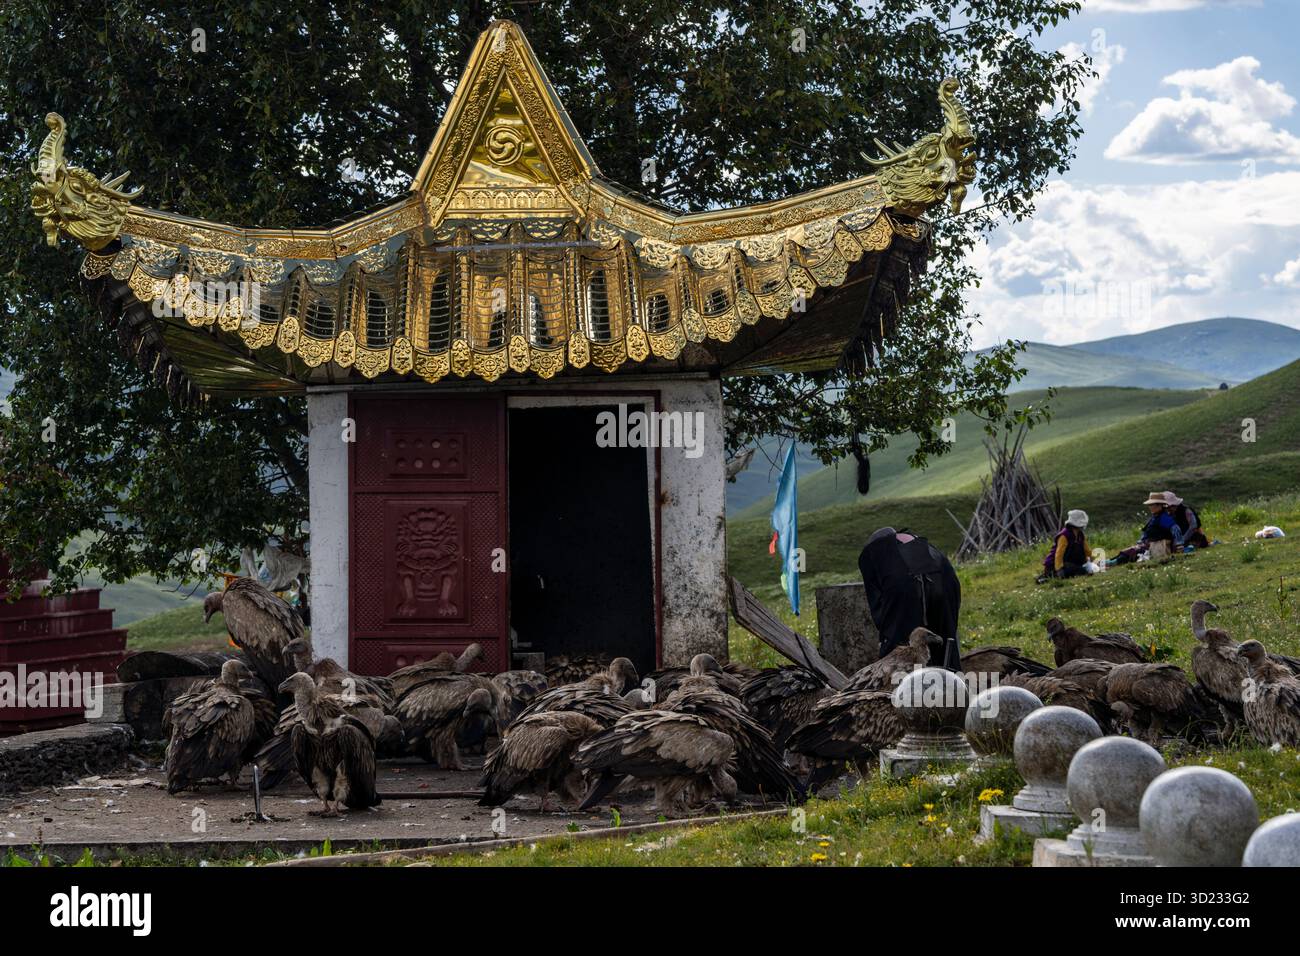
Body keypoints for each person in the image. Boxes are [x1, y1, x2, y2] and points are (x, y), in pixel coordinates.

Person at [858, 527, 961, 669]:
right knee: (946, 644)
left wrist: (887, 636)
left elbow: (878, 603)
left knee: (901, 653)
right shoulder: (918, 543)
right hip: (945, 578)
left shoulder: (873, 553)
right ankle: (950, 676)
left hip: (904, 587)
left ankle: (905, 681)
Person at [1114, 491, 1186, 564]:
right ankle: (1111, 561)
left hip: (1157, 546)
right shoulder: (1155, 517)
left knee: (1126, 556)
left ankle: (1111, 563)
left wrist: (1179, 545)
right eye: (1149, 505)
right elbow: (1146, 532)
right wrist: (1140, 542)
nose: (1150, 507)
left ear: (1159, 505)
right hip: (1147, 545)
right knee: (1125, 553)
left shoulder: (1164, 518)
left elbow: (1175, 529)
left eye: (1152, 504)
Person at [1040, 509, 1095, 580]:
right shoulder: (1064, 536)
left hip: (1069, 562)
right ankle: (1051, 575)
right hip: (1056, 565)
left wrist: (1093, 559)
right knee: (1079, 570)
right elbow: (1059, 554)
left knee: (1080, 567)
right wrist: (1059, 569)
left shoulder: (1080, 535)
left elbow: (1086, 550)